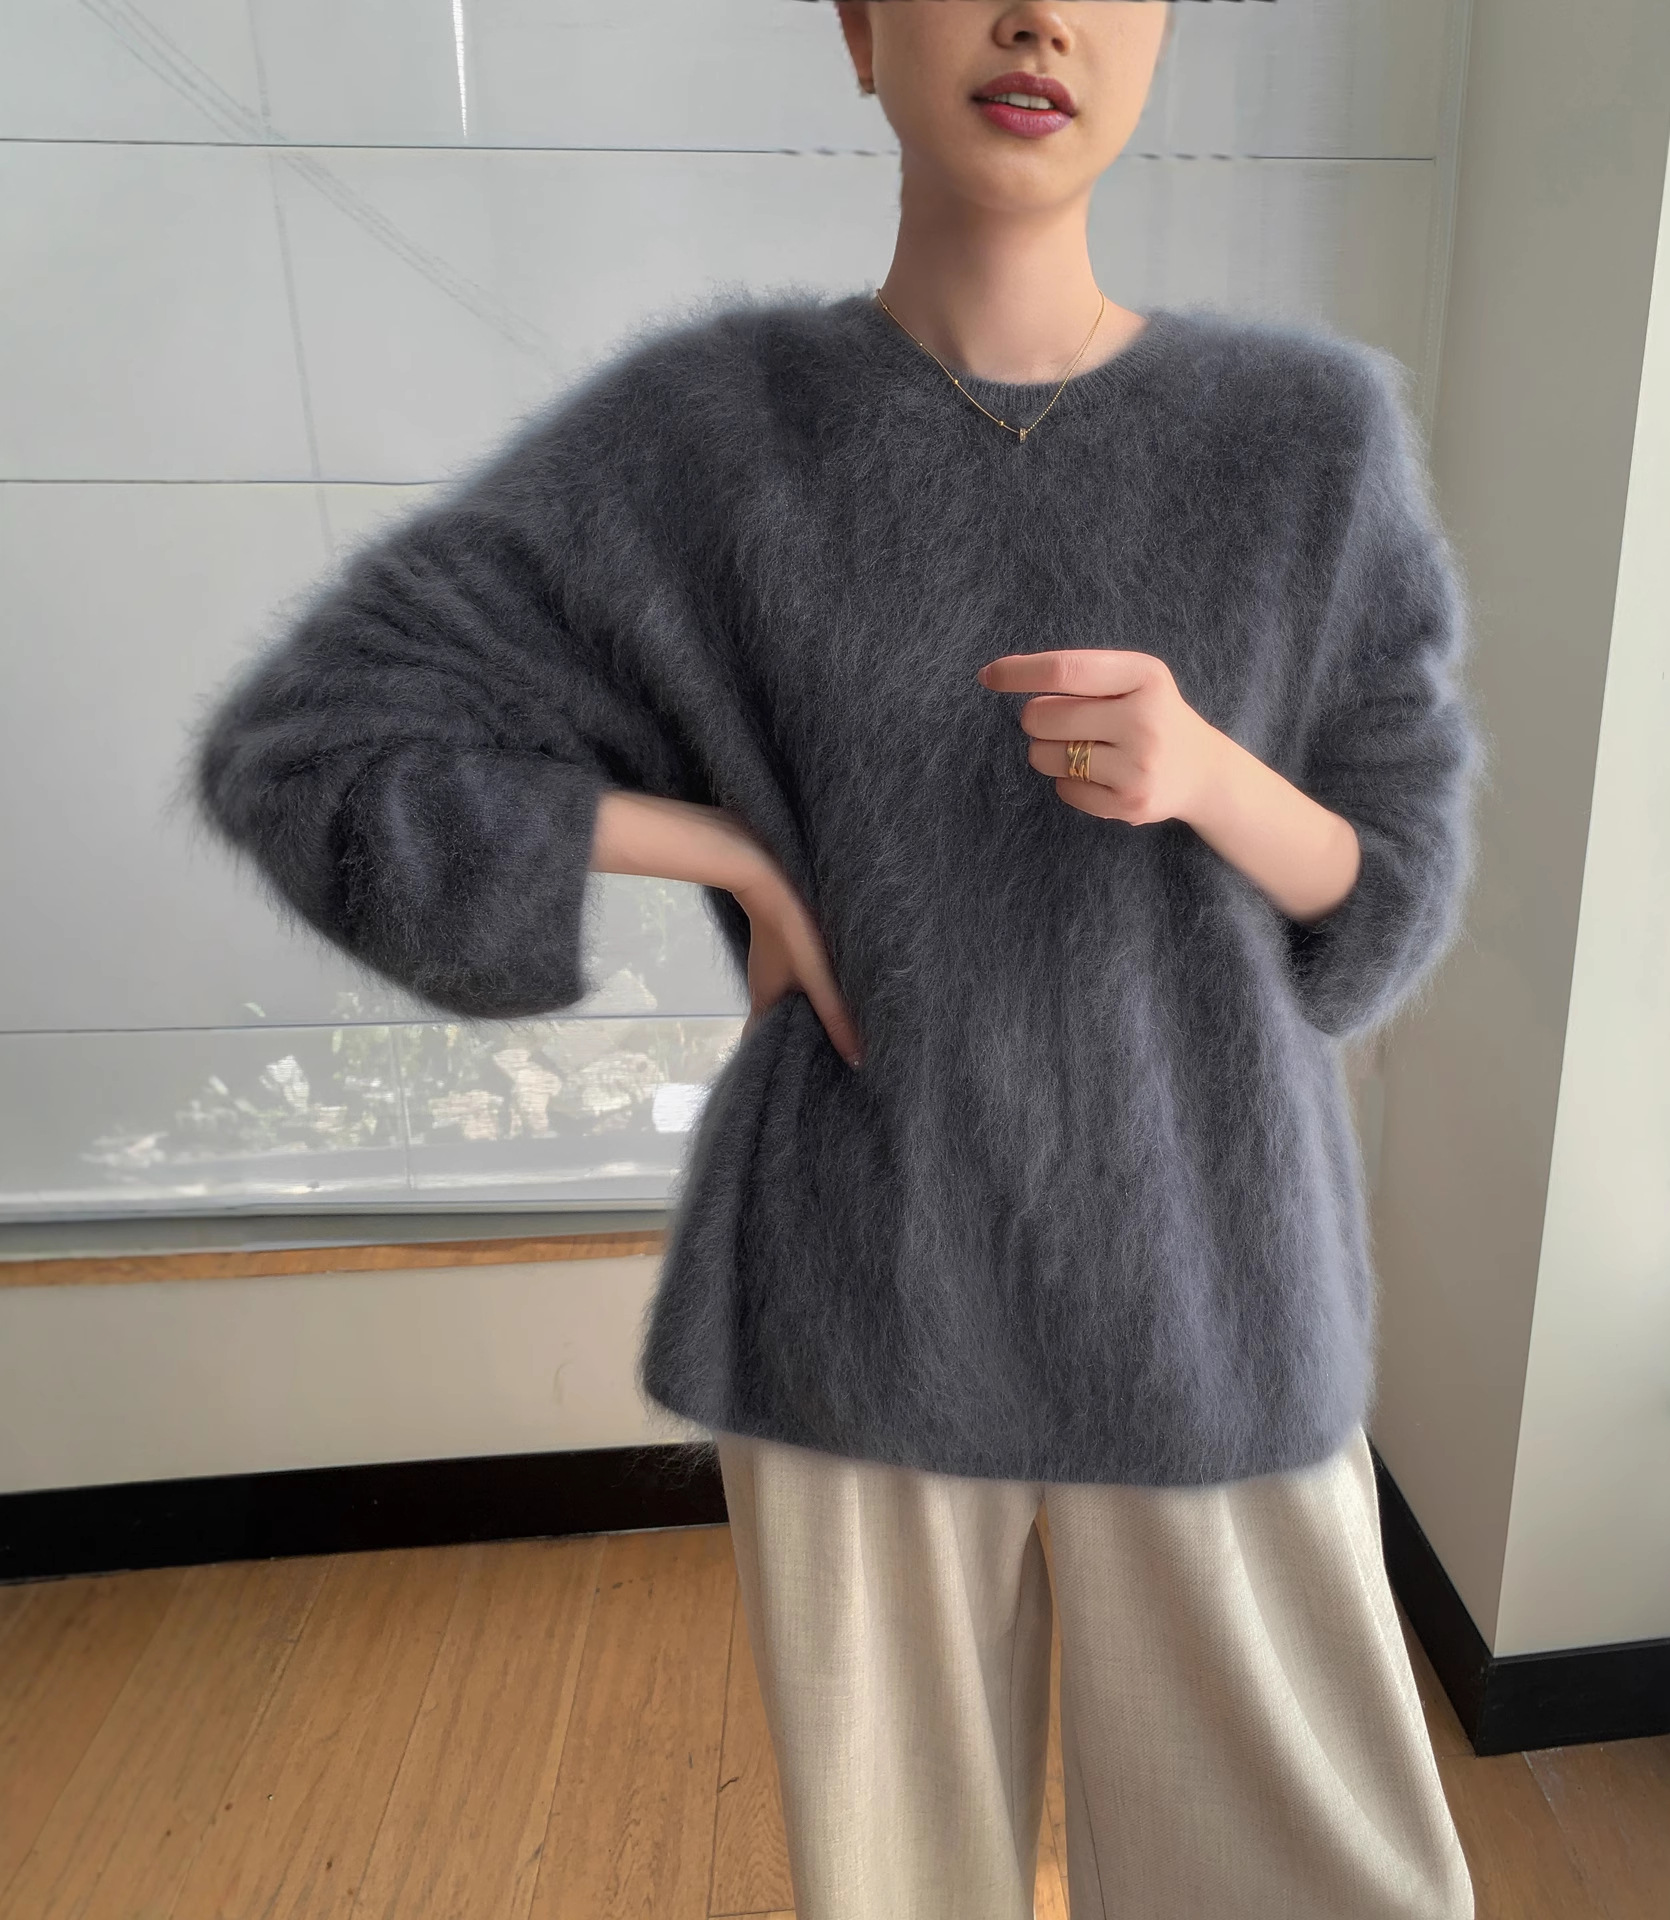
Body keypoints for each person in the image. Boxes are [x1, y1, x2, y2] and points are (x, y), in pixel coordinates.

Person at [191, 3, 1486, 1914]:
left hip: (1212, 1273)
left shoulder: (1304, 440)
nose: (1037, 16)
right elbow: (312, 748)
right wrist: (716, 842)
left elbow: (1393, 887)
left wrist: (1209, 775)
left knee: (1318, 1879)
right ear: (862, 29)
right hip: (864, 1283)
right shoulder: (704, 440)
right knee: (899, 1887)